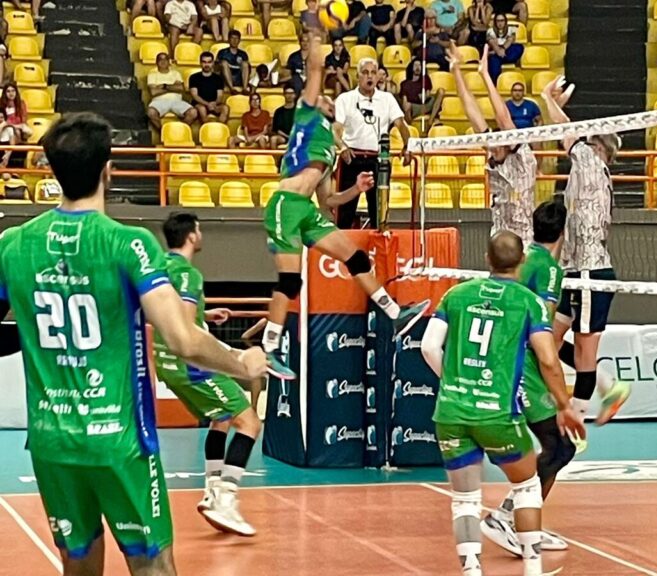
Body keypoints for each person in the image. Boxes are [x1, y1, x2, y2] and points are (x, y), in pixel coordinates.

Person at [0, 112, 267, 576]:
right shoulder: (129, 244)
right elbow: (182, 339)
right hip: (120, 442)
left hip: (50, 441)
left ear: (52, 171)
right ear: (109, 170)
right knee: (152, 565)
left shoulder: (12, 244)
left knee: (78, 564)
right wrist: (242, 363)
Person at [261, 34, 429, 378]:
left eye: (326, 99)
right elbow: (315, 70)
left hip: (307, 211)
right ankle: (269, 348)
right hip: (285, 205)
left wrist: (357, 188)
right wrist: (316, 30)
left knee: (356, 258)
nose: (325, 99)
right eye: (323, 97)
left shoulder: (328, 145)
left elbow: (328, 201)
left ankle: (395, 315)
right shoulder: (306, 118)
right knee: (290, 282)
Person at [421, 230, 584, 576]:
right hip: (497, 413)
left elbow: (428, 347)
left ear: (487, 260)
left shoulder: (456, 294)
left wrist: (451, 382)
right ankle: (532, 568)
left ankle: (472, 571)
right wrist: (564, 405)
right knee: (526, 486)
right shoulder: (529, 302)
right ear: (522, 260)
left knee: (465, 500)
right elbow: (548, 359)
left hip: (451, 412)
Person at [154, 212, 262, 537]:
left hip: (165, 362)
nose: (201, 235)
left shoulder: (160, 267)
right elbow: (186, 329)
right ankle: (226, 500)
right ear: (191, 236)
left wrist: (206, 314)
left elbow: (170, 313)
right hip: (191, 364)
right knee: (250, 422)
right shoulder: (188, 274)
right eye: (199, 230)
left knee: (222, 418)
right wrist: (233, 355)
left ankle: (212, 489)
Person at [480, 201, 575, 555]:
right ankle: (507, 516)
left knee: (558, 447)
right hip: (526, 367)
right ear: (564, 232)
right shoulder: (549, 268)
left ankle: (526, 523)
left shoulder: (524, 258)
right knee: (560, 446)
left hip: (505, 361)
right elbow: (542, 325)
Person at [542, 76, 631, 433]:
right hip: (573, 271)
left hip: (592, 274)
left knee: (583, 352)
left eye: (589, 139)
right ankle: (609, 384)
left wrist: (548, 99)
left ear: (598, 146)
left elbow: (566, 132)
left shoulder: (592, 164)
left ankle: (574, 425)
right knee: (546, 340)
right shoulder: (585, 170)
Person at [447, 43, 537, 243]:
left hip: (523, 238)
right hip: (498, 235)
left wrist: (485, 75)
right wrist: (456, 71)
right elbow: (470, 109)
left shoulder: (522, 157)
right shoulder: (493, 153)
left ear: (507, 144)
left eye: (497, 146)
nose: (492, 149)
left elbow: (503, 117)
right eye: (491, 146)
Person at [334, 57, 412, 229]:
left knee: (379, 214)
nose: (369, 76)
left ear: (378, 76)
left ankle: (379, 243)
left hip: (378, 160)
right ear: (357, 76)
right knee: (345, 213)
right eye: (365, 72)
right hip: (352, 159)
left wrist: (408, 146)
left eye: (373, 73)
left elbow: (401, 124)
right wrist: (342, 146)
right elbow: (335, 129)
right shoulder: (345, 99)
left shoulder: (387, 99)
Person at [147, 53, 198, 131]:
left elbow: (181, 88)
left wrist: (164, 86)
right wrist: (172, 87)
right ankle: (163, 132)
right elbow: (153, 92)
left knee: (193, 112)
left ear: (169, 61)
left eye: (165, 59)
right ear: (156, 62)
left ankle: (179, 131)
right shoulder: (152, 74)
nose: (163, 61)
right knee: (151, 112)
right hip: (159, 101)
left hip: (177, 101)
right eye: (160, 59)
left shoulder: (176, 74)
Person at [399, 58, 445, 134]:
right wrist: (414, 100)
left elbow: (427, 95)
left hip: (426, 104)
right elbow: (404, 101)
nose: (418, 67)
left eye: (420, 65)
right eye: (415, 65)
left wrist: (424, 96)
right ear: (411, 67)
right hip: (415, 107)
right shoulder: (404, 84)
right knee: (407, 106)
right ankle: (410, 130)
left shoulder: (425, 79)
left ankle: (430, 121)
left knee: (441, 91)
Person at [189, 51, 230, 124]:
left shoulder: (218, 78)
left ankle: (219, 127)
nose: (207, 65)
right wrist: (207, 104)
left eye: (209, 62)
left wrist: (214, 103)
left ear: (213, 63)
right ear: (200, 63)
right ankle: (207, 129)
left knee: (225, 108)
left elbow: (220, 96)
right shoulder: (193, 77)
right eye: (204, 62)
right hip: (199, 104)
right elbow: (195, 96)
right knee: (202, 109)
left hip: (214, 105)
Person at [486, 13, 524, 85]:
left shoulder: (511, 29)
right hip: (496, 51)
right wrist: (498, 50)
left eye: (502, 20)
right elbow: (492, 43)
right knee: (493, 61)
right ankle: (496, 85)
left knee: (519, 47)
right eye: (498, 21)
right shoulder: (490, 30)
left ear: (505, 21)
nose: (500, 23)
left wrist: (502, 49)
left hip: (506, 50)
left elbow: (510, 40)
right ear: (495, 22)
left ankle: (496, 55)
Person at [217, 30, 251, 94]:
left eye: (236, 38)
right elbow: (217, 68)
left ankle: (244, 88)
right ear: (229, 39)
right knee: (224, 63)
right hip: (225, 79)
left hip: (239, 78)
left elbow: (248, 69)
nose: (234, 40)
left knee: (245, 64)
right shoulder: (222, 52)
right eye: (232, 38)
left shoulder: (243, 54)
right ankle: (232, 88)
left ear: (239, 40)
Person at [270, 84, 297, 149]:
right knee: (273, 139)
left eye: (291, 93)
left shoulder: (299, 111)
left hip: (296, 136)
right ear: (284, 95)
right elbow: (277, 129)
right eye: (287, 93)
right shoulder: (279, 111)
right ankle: (274, 156)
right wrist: (288, 137)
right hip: (283, 137)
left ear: (295, 95)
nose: (289, 96)